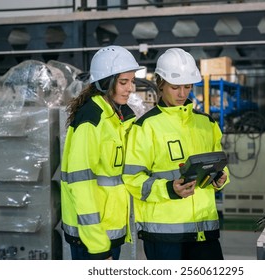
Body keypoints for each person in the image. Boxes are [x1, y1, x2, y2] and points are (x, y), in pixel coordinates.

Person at [122, 48, 230, 260]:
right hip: (163, 236)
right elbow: (132, 180)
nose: (182, 94)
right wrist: (169, 189)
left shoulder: (206, 123)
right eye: (175, 87)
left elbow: (220, 164)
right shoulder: (145, 127)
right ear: (160, 84)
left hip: (203, 232)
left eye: (187, 86)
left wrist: (222, 178)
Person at [60, 45, 143, 260]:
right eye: (123, 82)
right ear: (106, 82)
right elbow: (82, 185)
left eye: (132, 81)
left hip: (109, 230)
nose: (130, 88)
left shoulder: (119, 117)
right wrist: (98, 246)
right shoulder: (92, 121)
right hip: (91, 238)